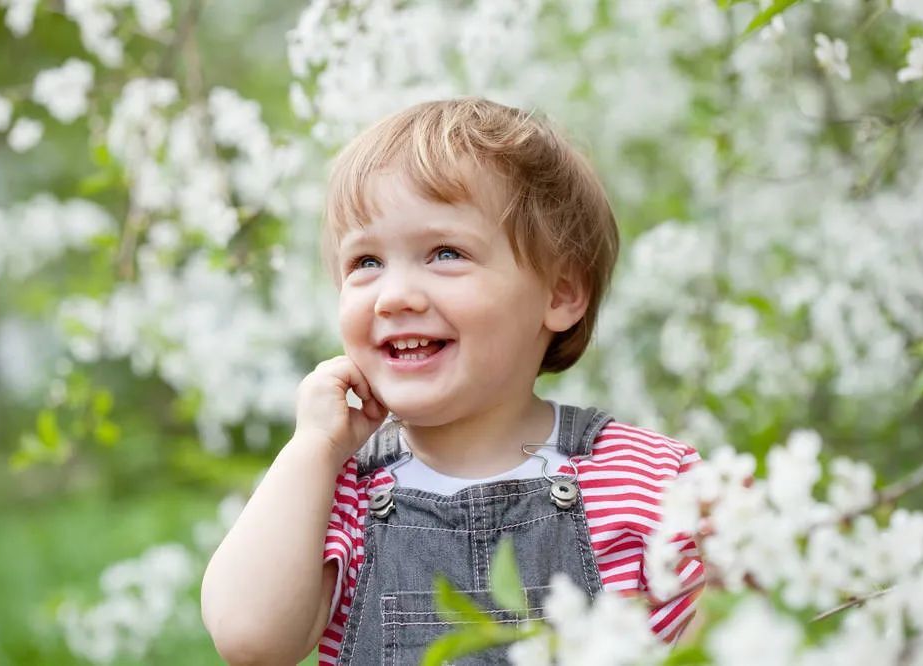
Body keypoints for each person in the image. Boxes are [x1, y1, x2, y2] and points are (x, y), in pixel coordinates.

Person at [201, 98, 704, 665]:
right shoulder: (344, 492)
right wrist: (311, 448)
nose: (394, 296)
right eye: (365, 262)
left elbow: (725, 638)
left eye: (444, 253)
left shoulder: (648, 480)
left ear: (560, 294)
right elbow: (249, 639)